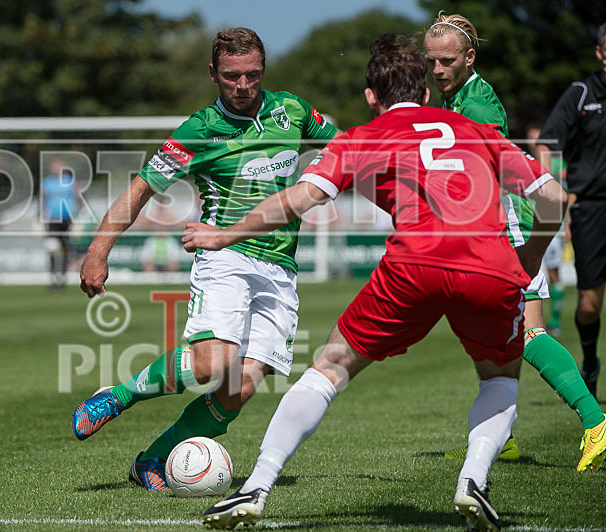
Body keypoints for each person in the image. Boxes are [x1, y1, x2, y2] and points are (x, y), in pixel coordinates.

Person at [185, 33, 567, 531]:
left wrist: (225, 234)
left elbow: (297, 200)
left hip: (415, 266)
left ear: (371, 97)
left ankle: (255, 488)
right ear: (426, 92)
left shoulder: (361, 138)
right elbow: (555, 196)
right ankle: (473, 479)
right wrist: (529, 256)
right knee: (498, 375)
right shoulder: (474, 129)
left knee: (330, 367)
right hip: (490, 265)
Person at [73, 27, 338, 491]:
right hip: (224, 252)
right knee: (213, 364)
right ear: (213, 73)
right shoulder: (200, 129)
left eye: (252, 75)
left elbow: (347, 147)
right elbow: (141, 190)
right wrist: (98, 251)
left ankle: (151, 461)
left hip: (280, 268)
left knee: (242, 386)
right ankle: (120, 395)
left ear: (263, 72)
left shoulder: (292, 110)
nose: (243, 86)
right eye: (232, 76)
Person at [423, 12, 606, 470]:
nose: (438, 70)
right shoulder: (455, 100)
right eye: (432, 61)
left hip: (509, 227)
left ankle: (595, 421)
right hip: (487, 229)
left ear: (470, 58)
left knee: (528, 333)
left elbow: (479, 176)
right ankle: (500, 438)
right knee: (492, 339)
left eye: (447, 61)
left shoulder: (478, 108)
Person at [536, 22, 606, 401]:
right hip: (591, 207)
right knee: (589, 303)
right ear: (600, 52)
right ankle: (591, 360)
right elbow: (547, 143)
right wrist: (552, 191)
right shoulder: (581, 94)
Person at [526, 124, 566, 336]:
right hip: (530, 225)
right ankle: (534, 322)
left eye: (536, 138)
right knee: (535, 273)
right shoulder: (524, 163)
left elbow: (564, 193)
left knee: (553, 273)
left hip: (551, 225)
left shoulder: (557, 162)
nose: (533, 142)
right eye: (530, 138)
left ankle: (555, 320)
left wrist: (566, 223)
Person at [41, 158, 77, 289]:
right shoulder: (47, 182)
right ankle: (53, 278)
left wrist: (78, 214)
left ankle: (62, 277)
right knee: (51, 248)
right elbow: (42, 199)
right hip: (52, 219)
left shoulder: (69, 181)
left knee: (65, 249)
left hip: (66, 218)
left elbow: (77, 197)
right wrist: (40, 215)